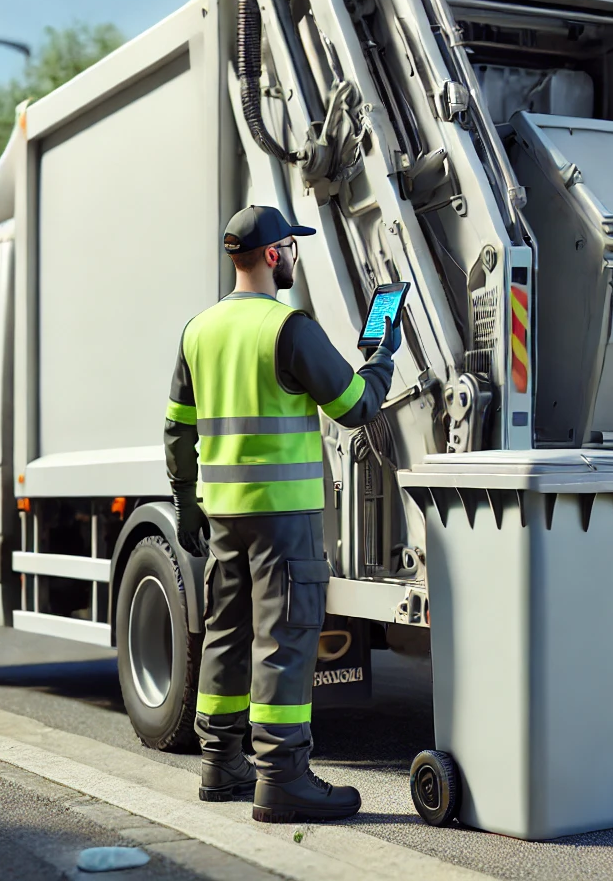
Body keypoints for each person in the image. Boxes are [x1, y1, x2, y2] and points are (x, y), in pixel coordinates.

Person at [164, 204, 400, 824]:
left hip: (223, 516)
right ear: (273, 256)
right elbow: (355, 407)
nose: (295, 255)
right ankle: (284, 778)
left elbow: (177, 429)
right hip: (283, 518)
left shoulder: (198, 330)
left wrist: (187, 503)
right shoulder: (288, 328)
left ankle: (222, 764)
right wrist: (381, 354)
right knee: (284, 642)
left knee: (226, 634)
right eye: (291, 247)